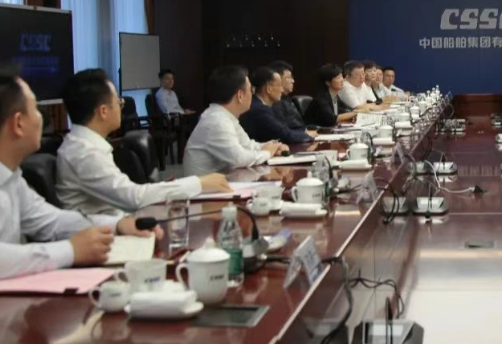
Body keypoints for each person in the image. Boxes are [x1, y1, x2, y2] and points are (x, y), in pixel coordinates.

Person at [0, 65, 161, 279]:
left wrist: (118, 225)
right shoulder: (81, 151)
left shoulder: (12, 178)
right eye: (36, 109)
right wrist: (70, 251)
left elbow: (51, 220)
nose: (42, 118)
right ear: (18, 124)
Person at [56, 69, 231, 216]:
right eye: (118, 102)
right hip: (99, 237)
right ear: (103, 111)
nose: (121, 106)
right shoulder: (85, 152)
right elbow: (133, 197)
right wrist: (198, 183)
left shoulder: (85, 144)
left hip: (113, 225)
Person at [183, 65, 289, 176]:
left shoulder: (225, 116)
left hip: (223, 181)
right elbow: (239, 158)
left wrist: (273, 146)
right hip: (205, 186)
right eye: (251, 90)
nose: (252, 94)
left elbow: (247, 145)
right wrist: (267, 153)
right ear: (240, 95)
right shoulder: (217, 121)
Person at [240, 67, 314, 144]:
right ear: (269, 89)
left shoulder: (264, 106)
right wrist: (307, 135)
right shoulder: (259, 110)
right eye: (279, 86)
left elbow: (285, 129)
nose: (282, 90)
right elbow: (286, 135)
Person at [268, 61, 309, 130]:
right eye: (289, 77)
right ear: (277, 79)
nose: (293, 81)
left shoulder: (287, 99)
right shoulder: (275, 103)